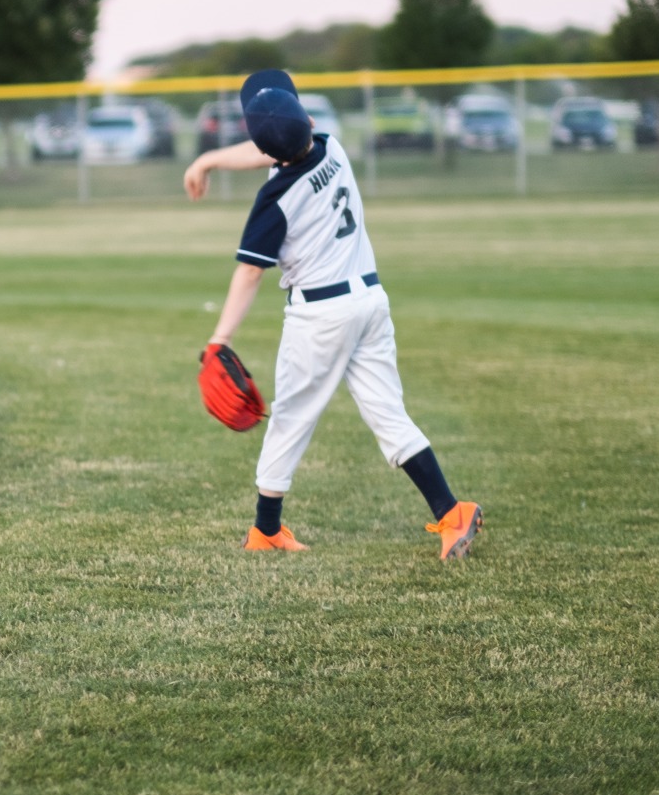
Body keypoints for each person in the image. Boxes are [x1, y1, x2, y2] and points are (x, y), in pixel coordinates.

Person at [182, 71, 482, 561]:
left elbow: (250, 274)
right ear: (308, 121)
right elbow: (273, 150)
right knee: (389, 414)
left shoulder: (275, 201)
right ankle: (452, 512)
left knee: (290, 419)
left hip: (321, 316)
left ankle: (266, 530)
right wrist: (211, 160)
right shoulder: (331, 146)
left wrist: (220, 338)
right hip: (370, 302)